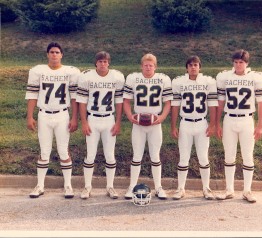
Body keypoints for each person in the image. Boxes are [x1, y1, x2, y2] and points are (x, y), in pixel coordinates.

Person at [25, 42, 80, 199]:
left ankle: (68, 185)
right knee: (44, 150)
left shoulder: (70, 72)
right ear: (47, 55)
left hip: (62, 114)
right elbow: (32, 95)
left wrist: (75, 118)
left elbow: (75, 97)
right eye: (51, 52)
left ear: (61, 55)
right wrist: (30, 116)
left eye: (57, 52)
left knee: (63, 150)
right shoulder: (38, 71)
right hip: (44, 115)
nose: (54, 54)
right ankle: (40, 185)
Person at [215, 49, 262, 203]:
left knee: (247, 155)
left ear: (247, 63)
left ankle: (247, 190)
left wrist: (260, 125)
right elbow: (220, 102)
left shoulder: (256, 77)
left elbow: (261, 103)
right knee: (229, 155)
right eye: (236, 62)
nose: (238, 65)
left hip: (247, 120)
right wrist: (217, 123)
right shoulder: (225, 77)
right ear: (233, 62)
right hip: (229, 119)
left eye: (241, 62)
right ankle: (229, 189)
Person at [123, 53, 173, 200]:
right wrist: (130, 116)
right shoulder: (133, 78)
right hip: (138, 123)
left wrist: (162, 117)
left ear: (155, 67)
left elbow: (168, 103)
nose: (148, 67)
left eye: (151, 65)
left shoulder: (163, 79)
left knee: (155, 156)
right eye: (145, 65)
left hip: (155, 123)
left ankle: (158, 187)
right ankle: (132, 186)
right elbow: (126, 101)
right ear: (141, 66)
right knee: (136, 155)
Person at [76, 51, 125, 199]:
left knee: (110, 155)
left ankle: (110, 186)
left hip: (109, 119)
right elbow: (82, 102)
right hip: (93, 119)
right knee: (90, 155)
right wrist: (84, 122)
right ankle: (87, 187)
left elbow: (119, 102)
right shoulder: (87, 77)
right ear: (95, 63)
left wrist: (117, 122)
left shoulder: (116, 77)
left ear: (108, 63)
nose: (102, 64)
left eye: (105, 61)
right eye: (100, 61)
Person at [170, 55, 218, 200]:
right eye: (190, 65)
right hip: (185, 123)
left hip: (201, 123)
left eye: (195, 65)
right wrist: (173, 126)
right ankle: (180, 188)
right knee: (183, 158)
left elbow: (213, 105)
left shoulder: (208, 82)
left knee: (203, 157)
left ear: (200, 67)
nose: (193, 67)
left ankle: (206, 188)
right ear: (187, 68)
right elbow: (175, 105)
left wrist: (213, 124)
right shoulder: (179, 82)